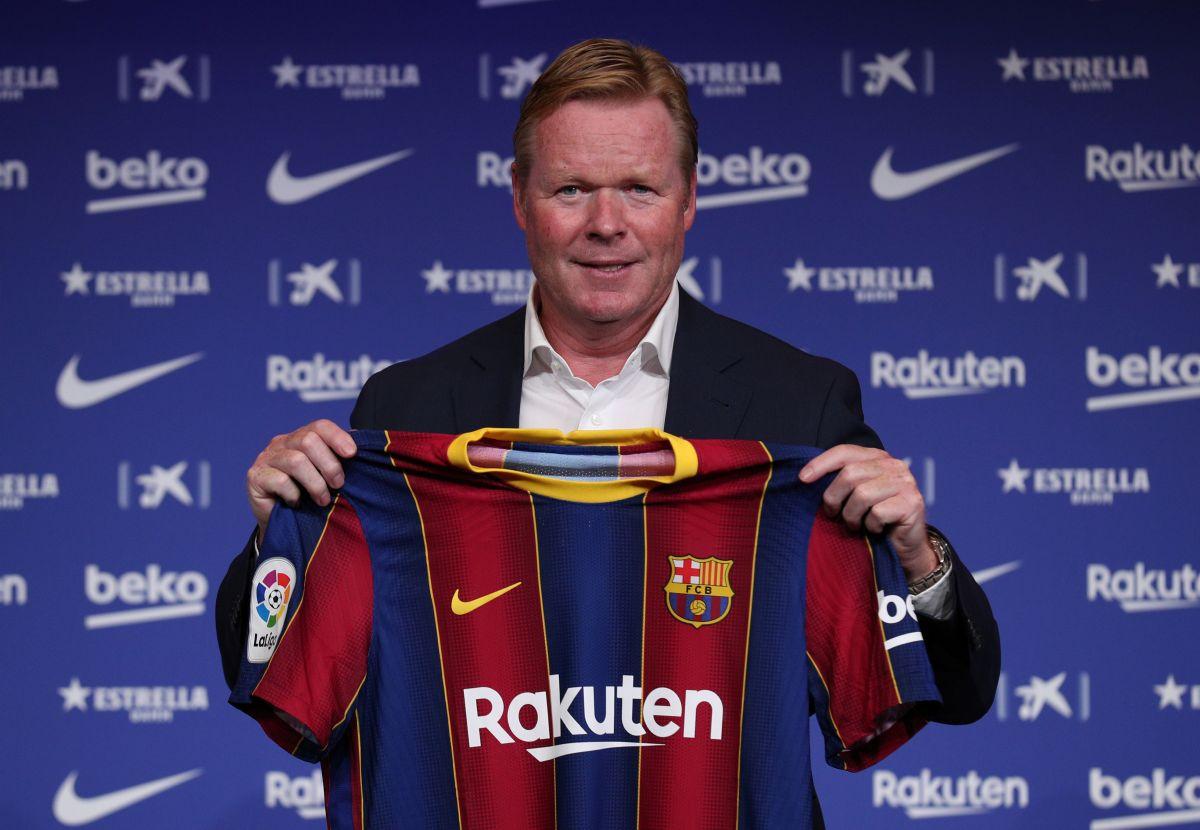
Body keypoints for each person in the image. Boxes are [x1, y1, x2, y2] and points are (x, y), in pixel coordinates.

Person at [217, 37, 998, 825]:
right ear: (519, 197)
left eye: (639, 188)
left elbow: (957, 694)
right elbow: (277, 674)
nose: (606, 224)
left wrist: (915, 561)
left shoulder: (799, 406)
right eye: (571, 189)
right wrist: (281, 538)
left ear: (689, 199)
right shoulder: (408, 407)